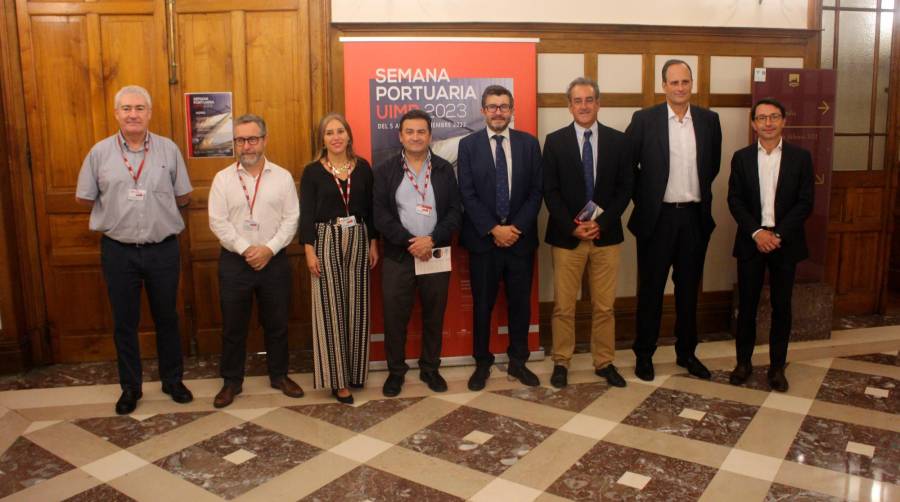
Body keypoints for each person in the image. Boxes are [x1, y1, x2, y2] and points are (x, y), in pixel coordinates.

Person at [75, 85, 193, 415]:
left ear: (149, 113)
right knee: (124, 322)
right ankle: (131, 387)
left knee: (167, 317)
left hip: (162, 250)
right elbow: (84, 196)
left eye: (140, 108)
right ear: (116, 114)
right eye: (126, 108)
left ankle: (173, 380)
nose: (133, 114)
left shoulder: (168, 150)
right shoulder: (99, 153)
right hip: (119, 251)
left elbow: (183, 195)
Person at [626, 60, 722, 382]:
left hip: (694, 218)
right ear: (663, 86)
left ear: (691, 84)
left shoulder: (709, 121)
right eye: (674, 82)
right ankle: (644, 354)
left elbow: (713, 166)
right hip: (658, 219)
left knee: (688, 292)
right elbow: (628, 167)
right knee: (651, 290)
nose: (680, 88)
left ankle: (687, 353)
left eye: (685, 82)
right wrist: (647, 199)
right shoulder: (645, 120)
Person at [542, 77, 634, 389]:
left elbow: (626, 188)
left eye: (589, 99)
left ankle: (604, 362)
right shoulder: (554, 141)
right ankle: (561, 361)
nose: (584, 105)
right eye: (577, 101)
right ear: (569, 106)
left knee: (604, 306)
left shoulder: (619, 141)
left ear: (598, 103)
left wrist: (602, 222)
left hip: (606, 236)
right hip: (567, 238)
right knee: (564, 306)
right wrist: (573, 225)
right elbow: (549, 191)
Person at [207, 114, 303, 408]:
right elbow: (217, 221)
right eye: (240, 140)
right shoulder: (223, 179)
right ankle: (232, 381)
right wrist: (247, 248)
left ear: (264, 140)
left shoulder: (283, 177)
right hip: (236, 262)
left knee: (277, 323)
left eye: (252, 139)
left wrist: (269, 249)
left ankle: (279, 375)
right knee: (234, 326)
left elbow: (292, 219)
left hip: (273, 260)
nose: (246, 146)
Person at [457, 85, 543, 391]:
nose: (498, 112)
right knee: (483, 305)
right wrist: (494, 229)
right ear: (483, 111)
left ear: (512, 110)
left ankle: (519, 361)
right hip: (484, 242)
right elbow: (466, 193)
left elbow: (536, 192)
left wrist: (513, 229)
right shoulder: (468, 146)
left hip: (520, 241)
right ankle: (482, 362)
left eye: (504, 106)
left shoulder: (529, 144)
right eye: (492, 106)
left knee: (520, 304)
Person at [727, 98, 814, 392]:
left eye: (774, 117)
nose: (768, 123)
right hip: (752, 241)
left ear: (784, 121)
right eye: (762, 118)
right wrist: (757, 232)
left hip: (784, 243)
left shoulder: (800, 158)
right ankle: (743, 363)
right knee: (747, 307)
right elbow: (735, 200)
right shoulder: (741, 158)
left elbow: (805, 203)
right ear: (753, 124)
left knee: (782, 308)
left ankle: (777, 368)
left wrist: (777, 235)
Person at [373, 109, 462, 397]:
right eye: (409, 132)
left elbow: (454, 212)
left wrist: (431, 240)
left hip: (435, 253)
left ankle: (430, 368)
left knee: (434, 315)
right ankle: (395, 372)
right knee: (395, 317)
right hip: (399, 255)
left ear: (430, 136)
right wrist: (411, 242)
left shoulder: (444, 169)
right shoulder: (386, 170)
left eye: (421, 131)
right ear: (400, 136)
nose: (415, 136)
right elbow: (380, 215)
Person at [300, 113, 378, 404]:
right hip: (325, 239)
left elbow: (370, 209)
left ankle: (356, 371)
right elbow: (306, 213)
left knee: (357, 306)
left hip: (358, 236)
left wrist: (373, 242)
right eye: (329, 132)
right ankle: (337, 380)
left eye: (340, 131)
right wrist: (309, 250)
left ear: (349, 135)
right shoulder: (312, 172)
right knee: (330, 309)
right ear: (322, 139)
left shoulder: (364, 168)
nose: (336, 137)